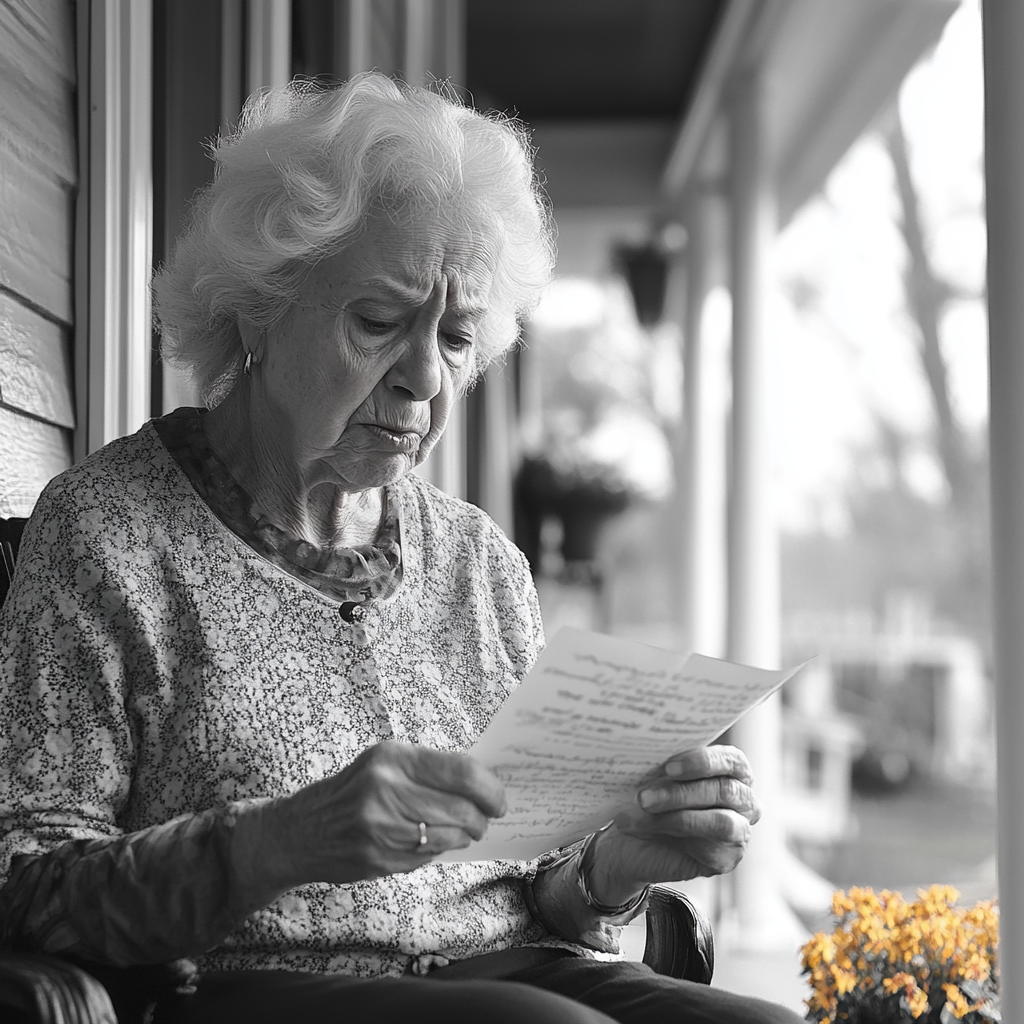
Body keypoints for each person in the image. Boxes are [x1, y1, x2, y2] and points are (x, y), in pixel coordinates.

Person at [0, 74, 803, 1024]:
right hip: (253, 991)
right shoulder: (109, 530)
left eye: (456, 337)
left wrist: (611, 871)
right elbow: (26, 878)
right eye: (378, 322)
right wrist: (279, 842)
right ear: (260, 307)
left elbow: (531, 885)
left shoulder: (478, 562)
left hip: (512, 973)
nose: (425, 375)